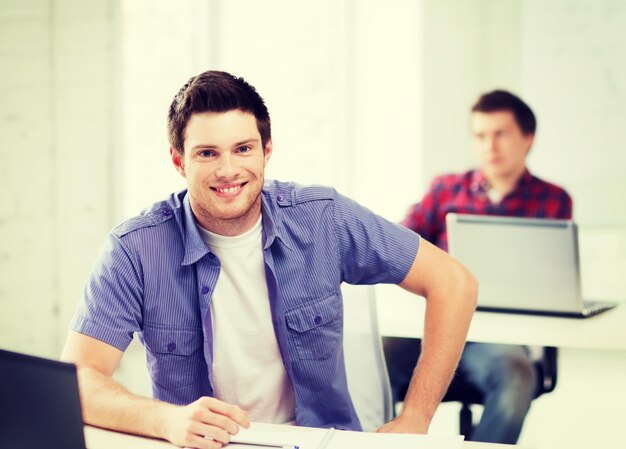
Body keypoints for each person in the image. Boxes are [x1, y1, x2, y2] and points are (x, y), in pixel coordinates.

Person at [60, 70, 477, 449]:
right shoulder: (135, 249)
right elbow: (79, 379)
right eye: (207, 153)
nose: (228, 170)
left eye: (243, 148)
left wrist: (417, 417)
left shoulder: (322, 217)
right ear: (178, 160)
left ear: (267, 150)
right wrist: (166, 420)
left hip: (318, 442)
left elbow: (454, 283)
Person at [384, 89, 573, 444]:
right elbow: (396, 245)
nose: (490, 146)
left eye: (500, 134)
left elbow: (552, 281)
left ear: (527, 138)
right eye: (480, 135)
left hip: (497, 338)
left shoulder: (553, 200)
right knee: (368, 361)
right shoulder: (445, 189)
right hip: (431, 325)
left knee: (517, 377)